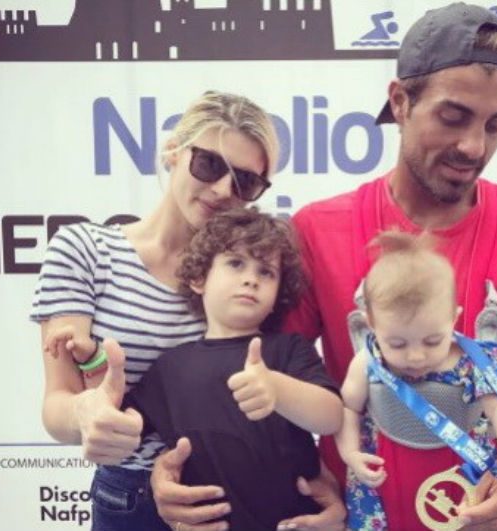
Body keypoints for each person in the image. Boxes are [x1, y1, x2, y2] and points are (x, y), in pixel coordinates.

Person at [152, 3, 497, 531]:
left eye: (496, 125)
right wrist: (176, 468)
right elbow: (264, 379)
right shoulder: (316, 230)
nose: (473, 145)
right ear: (401, 101)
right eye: (453, 117)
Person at [32, 90, 345, 531]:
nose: (223, 190)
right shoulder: (85, 250)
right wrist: (89, 412)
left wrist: (318, 479)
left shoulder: (252, 275)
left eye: (244, 181)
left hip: (254, 496)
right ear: (173, 152)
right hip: (132, 500)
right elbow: (62, 405)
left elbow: (293, 407)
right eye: (209, 164)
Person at [125, 206, 344, 531]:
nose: (251, 279)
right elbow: (126, 427)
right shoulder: (170, 367)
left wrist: (277, 389)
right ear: (199, 278)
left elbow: (331, 417)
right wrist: (91, 364)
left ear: (278, 294)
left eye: (266, 272)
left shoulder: (289, 350)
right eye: (236, 263)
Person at [335, 231, 497, 530]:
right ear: (372, 325)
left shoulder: (472, 361)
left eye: (432, 341)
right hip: (384, 486)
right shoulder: (368, 361)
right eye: (397, 344)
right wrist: (351, 454)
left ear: (453, 319)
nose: (416, 356)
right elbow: (348, 408)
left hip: (463, 481)